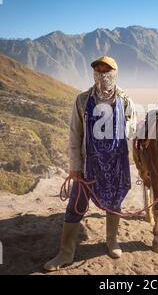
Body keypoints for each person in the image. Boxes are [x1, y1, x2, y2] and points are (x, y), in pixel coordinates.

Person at [44, 56, 137, 271]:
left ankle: (111, 241)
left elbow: (130, 129)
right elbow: (75, 134)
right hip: (88, 165)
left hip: (115, 164)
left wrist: (124, 129)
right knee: (76, 204)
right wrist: (75, 166)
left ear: (115, 72)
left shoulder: (125, 101)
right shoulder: (83, 100)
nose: (102, 74)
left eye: (107, 70)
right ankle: (66, 252)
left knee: (114, 202)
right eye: (98, 69)